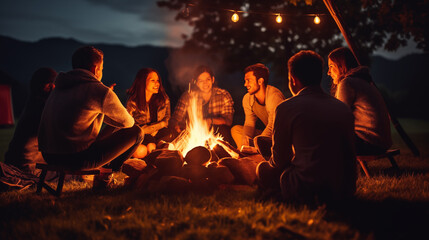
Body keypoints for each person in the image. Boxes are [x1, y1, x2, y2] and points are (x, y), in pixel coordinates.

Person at [257, 50, 356, 205]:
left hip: (308, 188)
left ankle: (277, 194)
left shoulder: (286, 108)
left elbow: (279, 161)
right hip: (344, 189)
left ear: (293, 79)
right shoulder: (342, 108)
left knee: (263, 168)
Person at [38, 46, 143, 172]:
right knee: (137, 132)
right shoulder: (98, 90)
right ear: (95, 69)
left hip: (49, 155)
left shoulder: (59, 87)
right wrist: (107, 107)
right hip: (77, 158)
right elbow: (128, 122)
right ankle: (112, 171)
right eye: (102, 69)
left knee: (113, 124)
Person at [328, 47, 392, 155]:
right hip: (381, 142)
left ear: (341, 66)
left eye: (331, 66)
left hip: (369, 143)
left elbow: (338, 116)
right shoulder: (363, 81)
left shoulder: (347, 83)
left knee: (319, 136)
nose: (328, 72)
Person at [4, 68, 57, 175]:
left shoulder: (32, 105)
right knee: (75, 176)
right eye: (50, 86)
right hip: (27, 167)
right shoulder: (41, 110)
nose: (54, 89)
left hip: (15, 163)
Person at [170, 65, 235, 145]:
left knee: (223, 130)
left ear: (213, 80)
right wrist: (176, 125)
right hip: (193, 133)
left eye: (208, 79)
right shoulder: (188, 96)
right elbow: (175, 118)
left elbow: (228, 121)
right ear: (196, 82)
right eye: (201, 81)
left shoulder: (223, 95)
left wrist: (209, 121)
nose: (205, 83)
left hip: (216, 133)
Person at [231, 63, 285, 156]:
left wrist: (259, 142)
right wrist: (245, 142)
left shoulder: (273, 96)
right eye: (245, 81)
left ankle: (258, 152)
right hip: (266, 136)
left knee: (271, 140)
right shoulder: (247, 98)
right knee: (236, 130)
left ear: (260, 81)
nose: (245, 84)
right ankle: (246, 153)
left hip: (280, 136)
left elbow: (273, 125)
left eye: (248, 81)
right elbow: (249, 123)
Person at [126, 68, 171, 159]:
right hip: (141, 135)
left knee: (152, 147)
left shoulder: (163, 98)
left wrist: (157, 127)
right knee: (140, 151)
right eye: (153, 80)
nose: (157, 83)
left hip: (159, 133)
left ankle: (154, 164)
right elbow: (129, 125)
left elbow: (166, 119)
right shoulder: (133, 102)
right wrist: (151, 129)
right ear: (143, 82)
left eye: (158, 80)